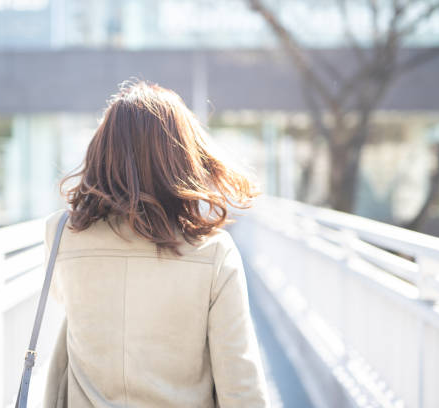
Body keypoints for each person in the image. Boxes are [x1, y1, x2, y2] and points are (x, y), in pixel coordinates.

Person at [42, 80, 270, 407]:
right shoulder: (214, 252)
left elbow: (68, 300)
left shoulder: (61, 233)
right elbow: (240, 385)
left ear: (103, 152)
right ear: (183, 157)